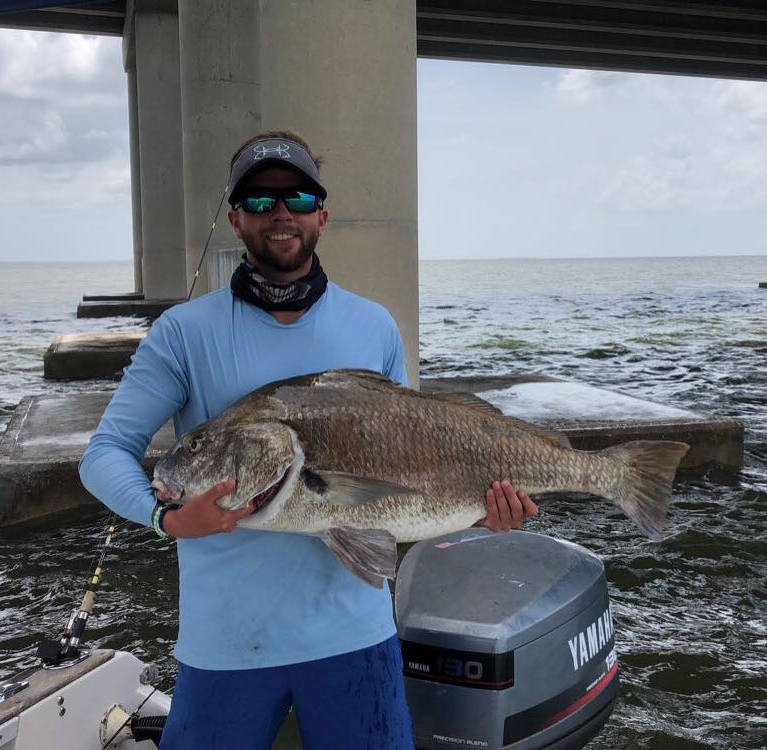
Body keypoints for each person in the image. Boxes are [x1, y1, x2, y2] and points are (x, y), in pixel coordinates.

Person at [79, 130, 539, 750]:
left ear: (321, 213)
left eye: (295, 197)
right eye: (260, 202)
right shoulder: (183, 333)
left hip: (355, 635)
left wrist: (480, 508)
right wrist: (165, 518)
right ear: (236, 220)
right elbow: (104, 454)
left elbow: (413, 465)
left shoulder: (373, 324)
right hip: (225, 643)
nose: (280, 214)